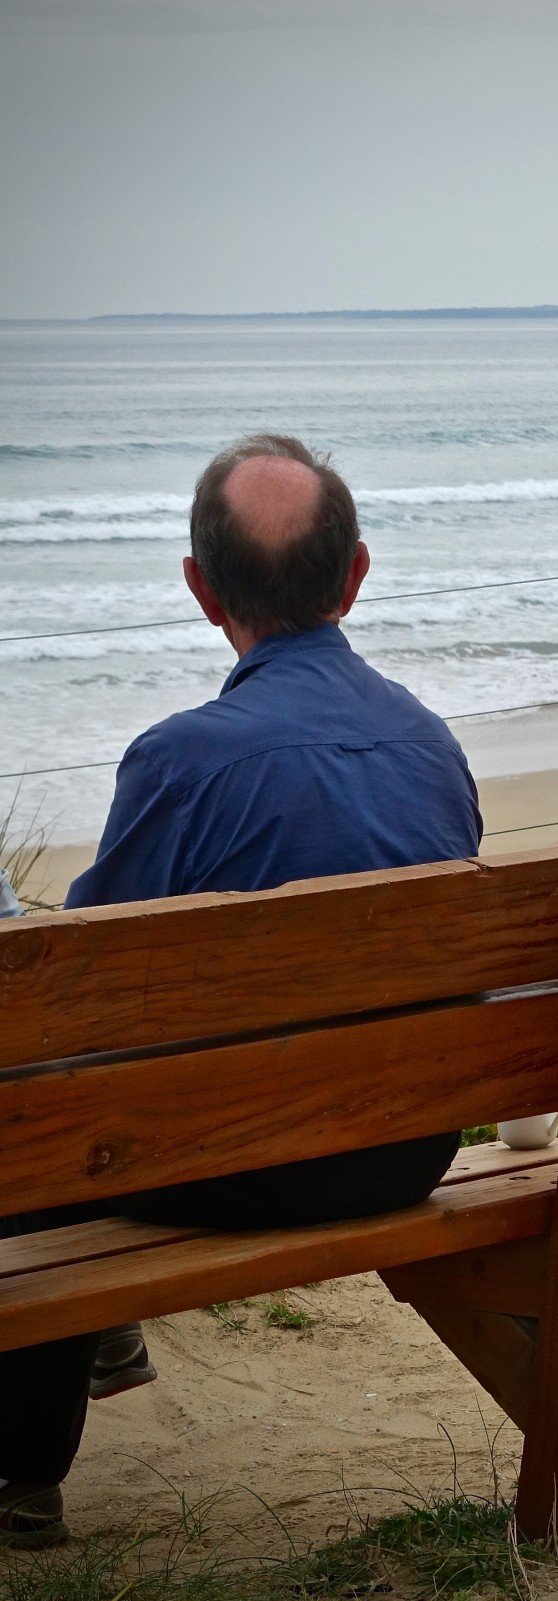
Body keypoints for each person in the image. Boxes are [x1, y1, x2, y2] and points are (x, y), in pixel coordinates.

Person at [0, 435, 482, 1548]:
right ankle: (100, 1336)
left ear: (200, 588)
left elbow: (76, 991)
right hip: (408, 1148)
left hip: (229, 1167)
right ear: (356, 575)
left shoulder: (179, 762)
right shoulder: (430, 744)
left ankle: (23, 1472)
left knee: (27, 1092)